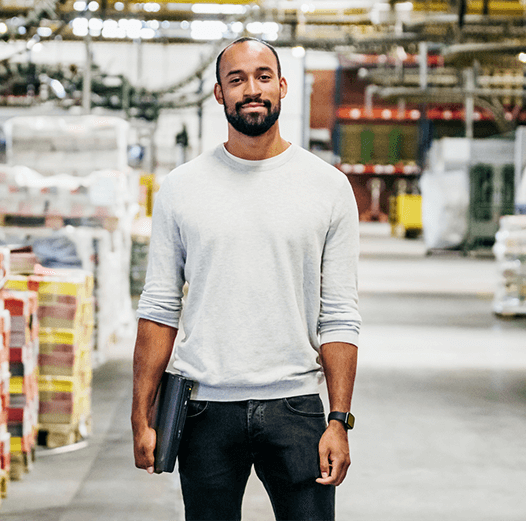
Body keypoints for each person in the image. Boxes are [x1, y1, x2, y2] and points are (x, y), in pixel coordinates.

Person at [132, 37, 361, 521]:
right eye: (236, 79)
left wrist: (338, 419)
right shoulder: (181, 188)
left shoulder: (328, 187)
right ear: (219, 93)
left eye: (262, 77)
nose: (250, 89)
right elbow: (158, 306)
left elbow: (339, 314)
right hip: (204, 410)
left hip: (296, 407)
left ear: (281, 86)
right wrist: (142, 413)